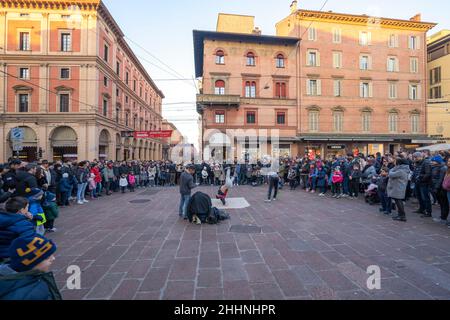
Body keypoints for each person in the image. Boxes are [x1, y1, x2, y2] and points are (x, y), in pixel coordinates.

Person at [0, 235, 62, 300]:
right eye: (47, 258)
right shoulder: (30, 294)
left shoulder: (32, 278)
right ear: (30, 263)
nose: (53, 258)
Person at [0, 197, 35, 261]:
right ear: (21, 210)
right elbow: (29, 242)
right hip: (14, 257)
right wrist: (28, 220)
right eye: (27, 207)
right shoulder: (24, 224)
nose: (28, 209)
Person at [387, 158, 411, 222]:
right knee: (398, 201)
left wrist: (392, 169)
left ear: (399, 164)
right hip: (398, 187)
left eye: (396, 162)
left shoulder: (401, 170)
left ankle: (402, 216)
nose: (394, 163)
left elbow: (391, 174)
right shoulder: (402, 169)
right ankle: (400, 215)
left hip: (398, 188)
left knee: (399, 201)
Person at [412, 152, 433, 218]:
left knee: (425, 198)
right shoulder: (417, 163)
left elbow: (428, 173)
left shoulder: (426, 162)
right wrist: (414, 178)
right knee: (419, 197)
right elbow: (416, 172)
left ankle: (428, 212)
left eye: (415, 157)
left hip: (424, 183)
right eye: (414, 157)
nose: (414, 159)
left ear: (420, 157)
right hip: (417, 183)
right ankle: (421, 209)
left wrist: (420, 178)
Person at [430, 155, 449, 225]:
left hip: (441, 189)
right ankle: (442, 217)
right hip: (437, 188)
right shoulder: (436, 167)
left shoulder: (443, 168)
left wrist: (436, 188)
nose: (431, 162)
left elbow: (440, 179)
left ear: (437, 161)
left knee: (444, 204)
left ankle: (443, 218)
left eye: (433, 161)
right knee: (441, 203)